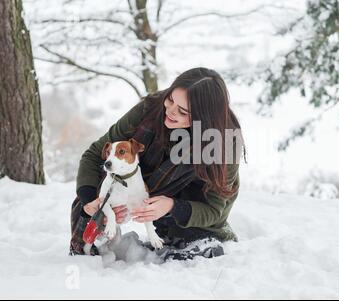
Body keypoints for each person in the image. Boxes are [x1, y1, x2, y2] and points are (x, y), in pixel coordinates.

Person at [70, 67, 245, 261]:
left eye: (183, 111)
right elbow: (94, 155)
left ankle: (196, 240)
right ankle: (90, 245)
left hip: (193, 204)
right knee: (100, 186)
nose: (170, 111)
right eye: (170, 99)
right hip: (143, 183)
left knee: (192, 236)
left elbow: (213, 209)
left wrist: (172, 206)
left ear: (204, 117)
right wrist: (90, 202)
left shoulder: (226, 141)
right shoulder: (151, 108)